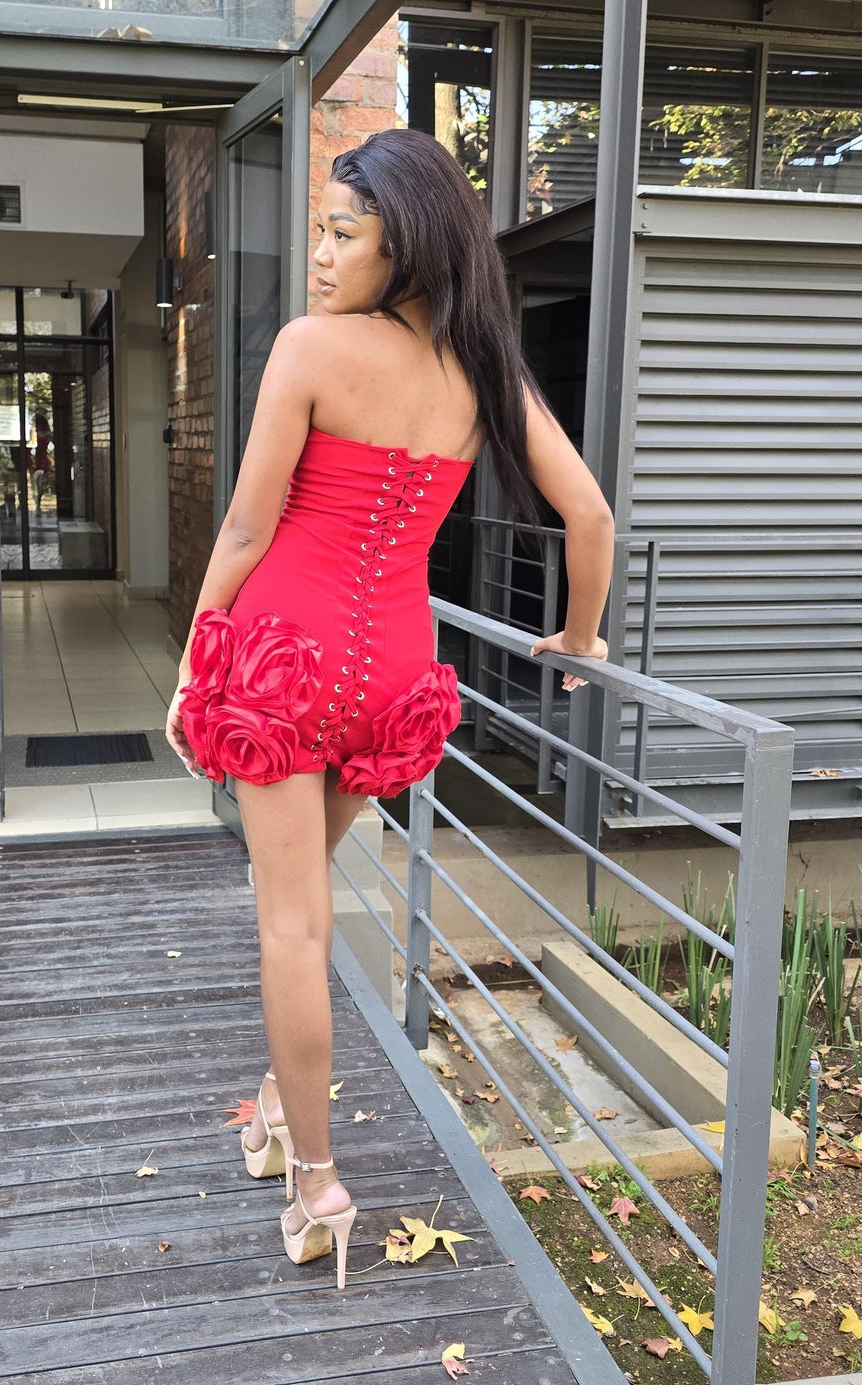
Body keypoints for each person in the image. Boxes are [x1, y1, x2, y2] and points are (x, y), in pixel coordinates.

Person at [164, 129, 614, 1291]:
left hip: (280, 659)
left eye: (341, 233)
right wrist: (577, 637)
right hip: (392, 676)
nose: (318, 255)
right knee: (308, 910)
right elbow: (590, 519)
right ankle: (276, 1104)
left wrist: (192, 663)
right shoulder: (486, 372)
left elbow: (248, 529)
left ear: (402, 243)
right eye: (320, 228)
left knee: (289, 928)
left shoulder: (311, 349)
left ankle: (316, 1177)